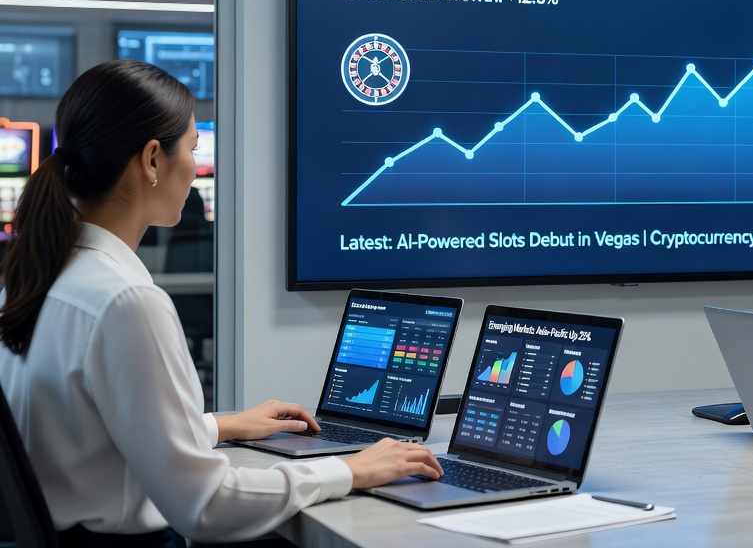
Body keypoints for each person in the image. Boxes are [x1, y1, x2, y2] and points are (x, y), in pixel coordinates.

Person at [0, 61, 443, 547]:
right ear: (152, 160)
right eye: (192, 149)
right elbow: (205, 505)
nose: (195, 167)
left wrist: (218, 425)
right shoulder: (126, 301)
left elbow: (90, 439)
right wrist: (350, 469)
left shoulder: (42, 274)